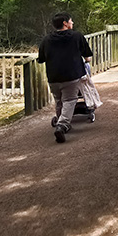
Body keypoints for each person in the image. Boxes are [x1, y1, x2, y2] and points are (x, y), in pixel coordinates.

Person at [37, 12, 93, 143]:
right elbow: (87, 57)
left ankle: (60, 121)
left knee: (59, 100)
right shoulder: (77, 36)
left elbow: (41, 59)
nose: (72, 23)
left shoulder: (46, 39)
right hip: (72, 75)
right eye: (71, 21)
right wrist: (85, 60)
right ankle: (62, 125)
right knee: (69, 100)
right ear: (65, 23)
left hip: (53, 76)